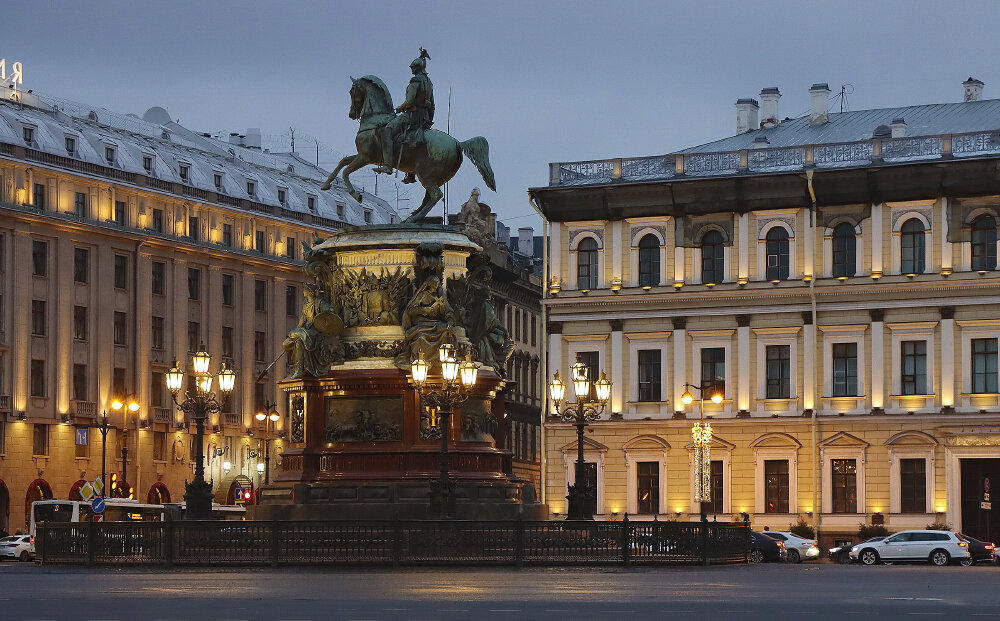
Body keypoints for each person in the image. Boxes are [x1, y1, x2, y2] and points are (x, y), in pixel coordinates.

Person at [374, 48, 434, 184]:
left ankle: (388, 165)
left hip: (411, 115)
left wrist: (400, 108)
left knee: (386, 130)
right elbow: (433, 104)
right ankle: (410, 173)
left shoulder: (415, 81)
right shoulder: (429, 82)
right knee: (405, 139)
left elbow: (410, 101)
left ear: (418, 68)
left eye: (413, 67)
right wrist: (429, 119)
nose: (411, 70)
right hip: (424, 118)